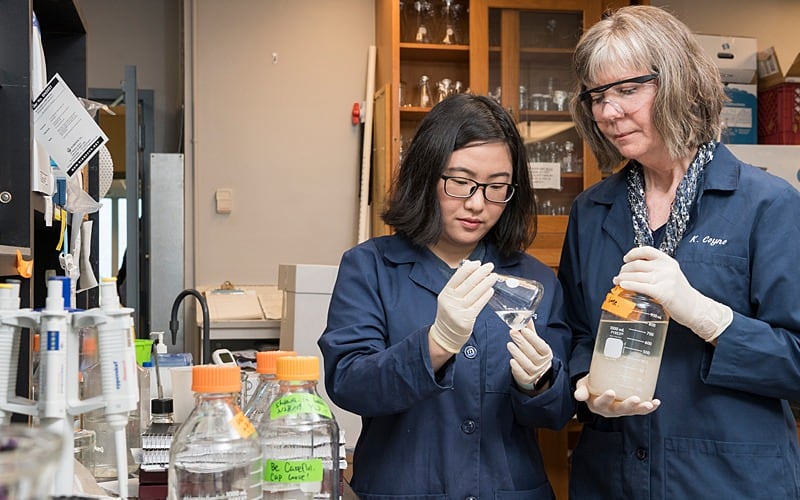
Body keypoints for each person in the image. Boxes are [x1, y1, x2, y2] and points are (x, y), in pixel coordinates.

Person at [559, 5, 800, 499]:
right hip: (613, 478)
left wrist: (707, 316)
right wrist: (588, 386)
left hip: (729, 480)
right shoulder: (591, 212)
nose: (608, 111)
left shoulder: (768, 205)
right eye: (598, 96)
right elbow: (579, 334)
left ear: (680, 82)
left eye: (628, 90)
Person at [318, 93, 574, 499]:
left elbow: (559, 413)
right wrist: (436, 345)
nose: (477, 204)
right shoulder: (370, 267)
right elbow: (349, 383)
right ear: (426, 174)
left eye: (497, 187)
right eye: (460, 182)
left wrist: (540, 384)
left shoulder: (534, 280)